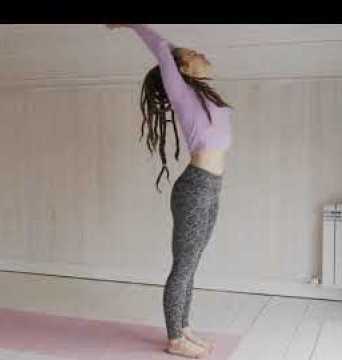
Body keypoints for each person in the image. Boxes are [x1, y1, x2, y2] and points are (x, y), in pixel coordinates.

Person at [106, 24, 233, 359]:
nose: (201, 54)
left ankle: (184, 326)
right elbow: (163, 48)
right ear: (179, 69)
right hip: (195, 188)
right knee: (182, 265)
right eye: (193, 53)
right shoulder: (180, 92)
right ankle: (174, 339)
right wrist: (134, 24)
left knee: (192, 264)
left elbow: (174, 52)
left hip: (212, 187)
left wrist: (182, 54)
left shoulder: (202, 95)